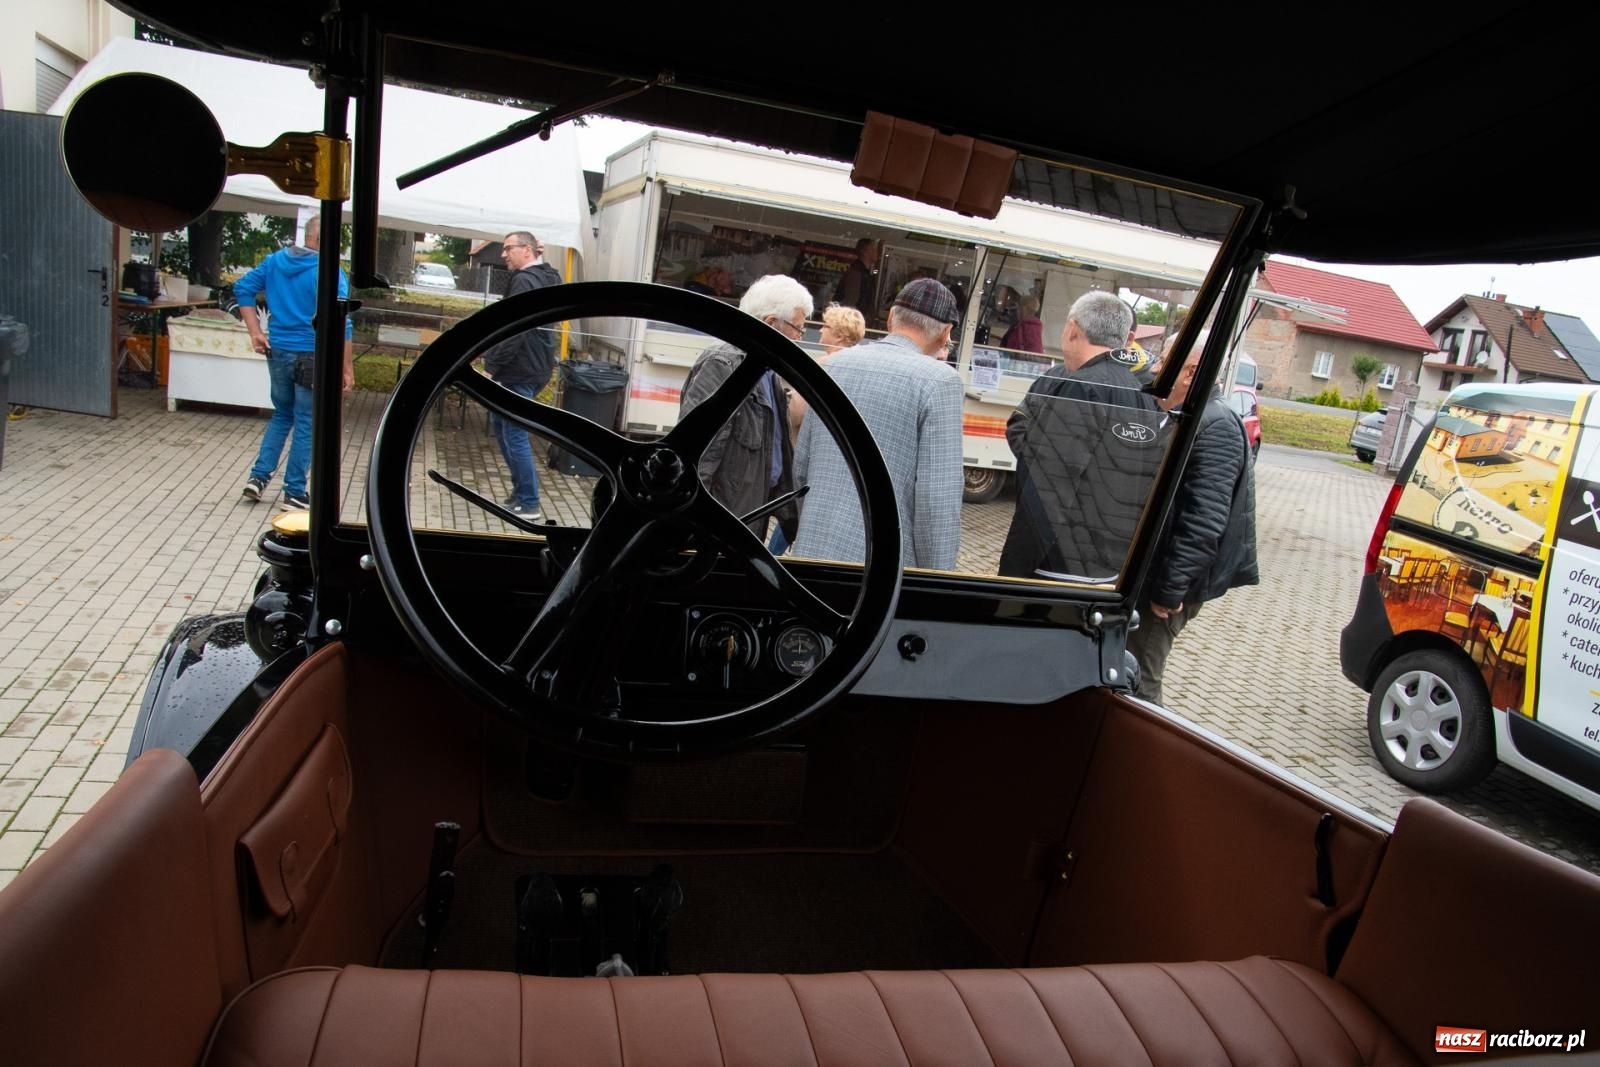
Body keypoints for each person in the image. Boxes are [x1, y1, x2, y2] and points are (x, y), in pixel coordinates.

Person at [791, 278, 964, 569]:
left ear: (890, 320)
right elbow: (937, 502)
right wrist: (938, 579)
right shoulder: (940, 381)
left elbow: (802, 467)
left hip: (812, 556)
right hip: (881, 574)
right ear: (946, 332)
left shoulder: (833, 364)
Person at [998, 292, 1163, 582]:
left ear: (1072, 328)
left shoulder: (1080, 388)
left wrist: (1014, 570)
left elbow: (1048, 486)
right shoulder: (1138, 391)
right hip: (1109, 564)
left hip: (1060, 564)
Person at [1126, 346, 1258, 703]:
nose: (1154, 368)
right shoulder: (1189, 415)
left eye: (1163, 361)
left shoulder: (1215, 425)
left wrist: (1169, 591)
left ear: (1189, 372)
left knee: (1139, 676)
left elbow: (1204, 520)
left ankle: (1138, 752)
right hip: (1153, 576)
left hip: (1167, 590)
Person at [680, 274, 813, 541]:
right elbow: (700, 454)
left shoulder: (768, 374)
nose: (800, 337)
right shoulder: (723, 365)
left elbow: (774, 450)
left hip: (750, 514)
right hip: (721, 521)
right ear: (771, 323)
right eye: (797, 328)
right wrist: (691, 526)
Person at [237, 215, 353, 510]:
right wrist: (346, 368)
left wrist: (255, 332)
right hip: (311, 355)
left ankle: (258, 478)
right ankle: (295, 492)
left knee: (282, 414)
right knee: (306, 420)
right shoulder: (327, 271)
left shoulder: (275, 262)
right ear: (329, 240)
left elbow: (243, 289)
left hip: (278, 350)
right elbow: (343, 322)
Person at [483, 231, 563, 519]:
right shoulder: (545, 276)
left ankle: (528, 501)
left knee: (514, 433)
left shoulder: (524, 281)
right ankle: (520, 494)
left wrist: (491, 365)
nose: (503, 254)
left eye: (508, 249)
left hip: (520, 368)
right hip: (534, 366)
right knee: (503, 427)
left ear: (527, 251)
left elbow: (514, 330)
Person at [833, 237, 881, 322]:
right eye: (873, 249)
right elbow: (849, 302)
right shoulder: (856, 273)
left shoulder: (862, 273)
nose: (876, 253)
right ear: (866, 251)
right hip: (851, 323)